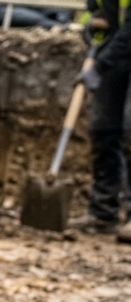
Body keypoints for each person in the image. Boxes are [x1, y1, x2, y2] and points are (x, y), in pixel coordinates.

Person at [75, 0, 131, 242]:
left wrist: (100, 65)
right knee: (103, 128)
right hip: (115, 53)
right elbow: (94, 14)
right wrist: (91, 31)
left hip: (117, 50)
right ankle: (103, 211)